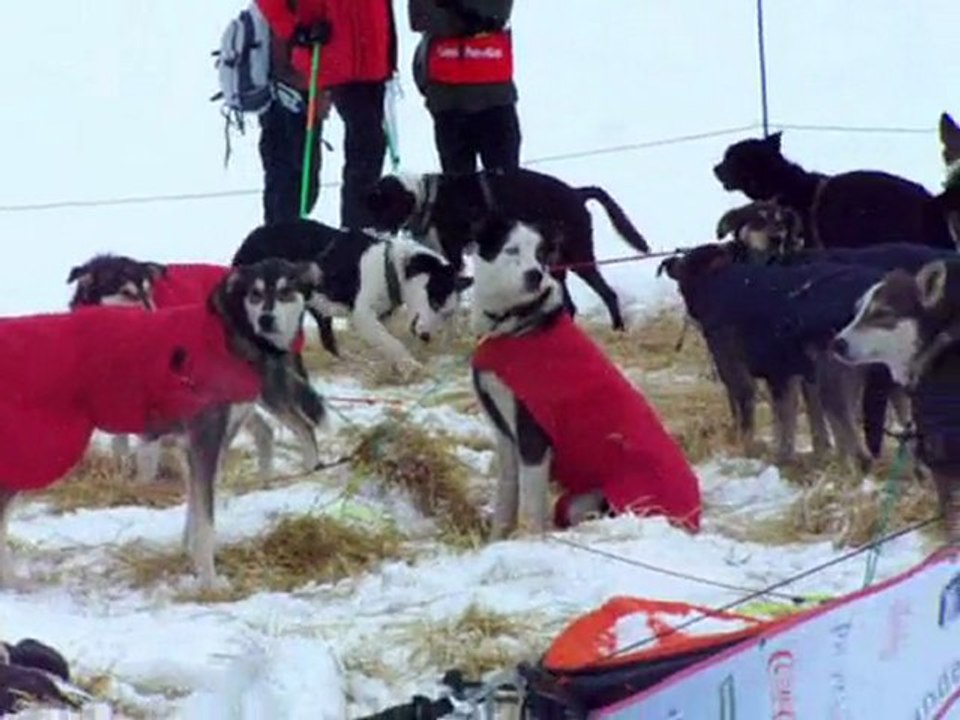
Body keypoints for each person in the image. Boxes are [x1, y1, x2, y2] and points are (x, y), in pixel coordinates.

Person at [255, 0, 397, 228]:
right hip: (321, 55)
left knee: (368, 149)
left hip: (369, 57)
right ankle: (286, 241)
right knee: (300, 164)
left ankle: (357, 235)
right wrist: (295, 30)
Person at [409, 0, 520, 175]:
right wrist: (470, 19)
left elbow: (497, 13)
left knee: (505, 185)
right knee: (459, 190)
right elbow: (421, 17)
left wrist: (456, 13)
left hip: (494, 94)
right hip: (449, 96)